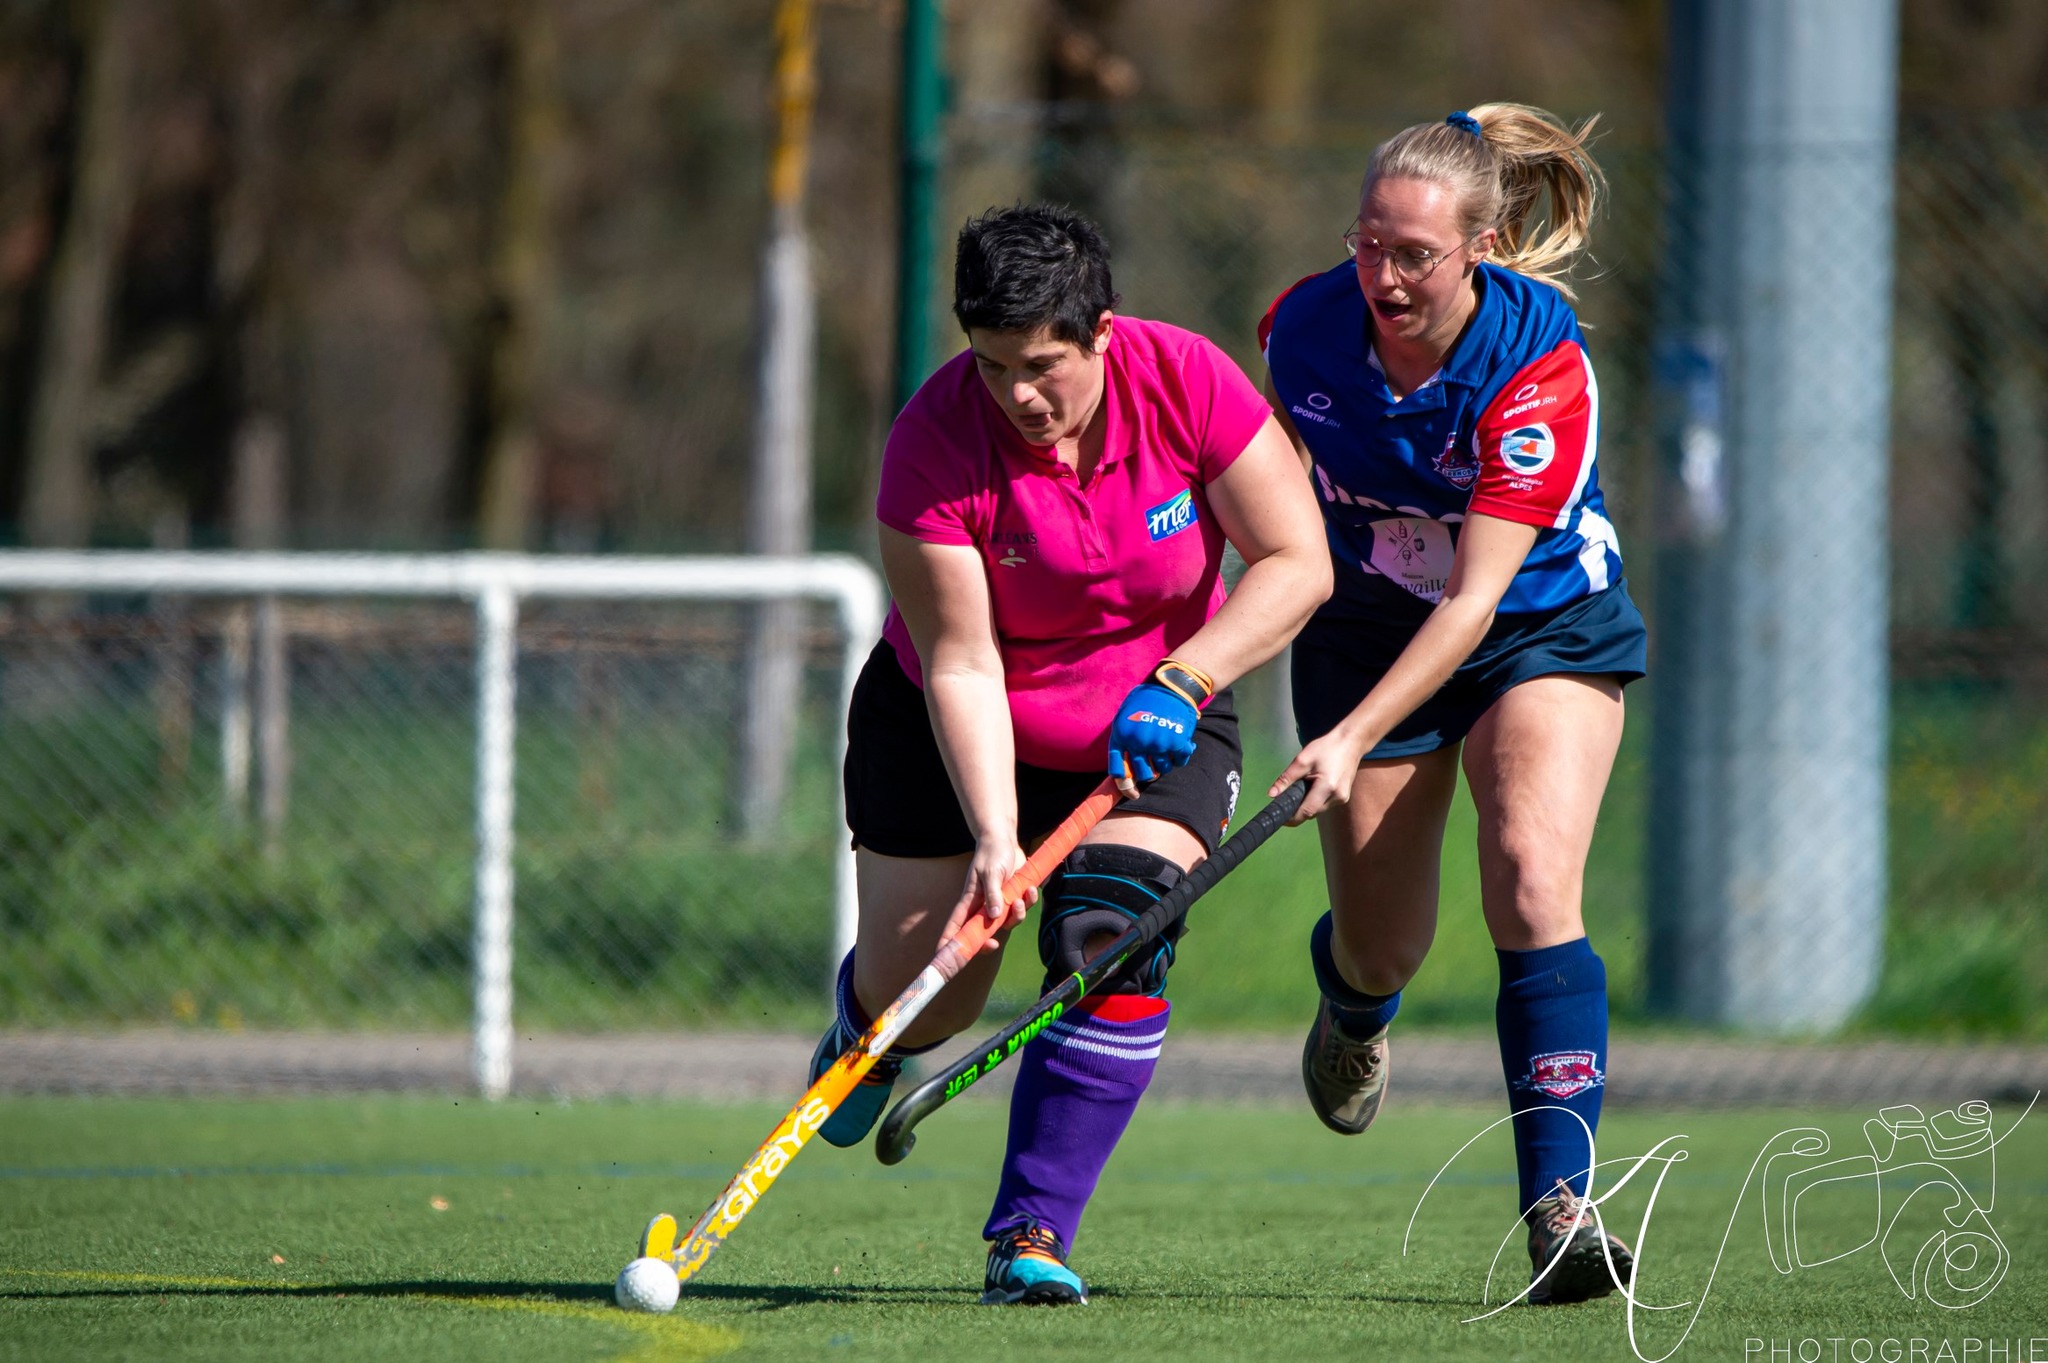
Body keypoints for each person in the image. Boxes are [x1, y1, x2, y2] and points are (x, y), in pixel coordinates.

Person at [818, 203, 1330, 1305]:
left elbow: (1296, 560)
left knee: (1113, 928)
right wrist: (997, 837)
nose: (1018, 396)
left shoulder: (1186, 383)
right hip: (948, 721)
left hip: (1153, 722)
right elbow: (959, 663)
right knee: (933, 993)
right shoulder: (930, 446)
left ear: (1101, 333)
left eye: (1043, 365)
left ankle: (1030, 1232)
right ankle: (867, 1024)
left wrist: (1186, 676)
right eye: (993, 365)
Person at [1260, 105, 1646, 1305]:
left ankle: (1561, 1206)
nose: (1382, 275)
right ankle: (1353, 1001)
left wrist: (1347, 737)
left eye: (1413, 255)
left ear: (1476, 247)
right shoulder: (1300, 328)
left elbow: (1475, 600)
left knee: (1530, 871)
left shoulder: (1537, 362)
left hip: (1531, 621)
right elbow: (1269, 523)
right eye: (1367, 244)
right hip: (1362, 621)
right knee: (1384, 941)